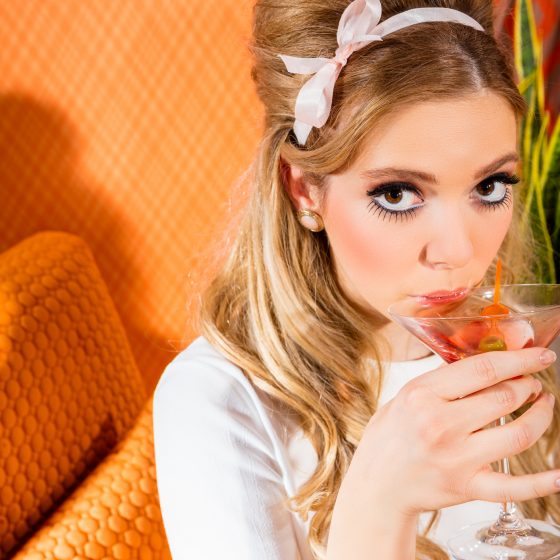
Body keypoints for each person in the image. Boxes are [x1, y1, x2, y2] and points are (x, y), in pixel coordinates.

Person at [152, 0, 560, 558]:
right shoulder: (219, 401)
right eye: (397, 194)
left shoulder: (531, 344)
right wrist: (379, 502)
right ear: (303, 189)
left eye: (490, 187)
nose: (458, 251)